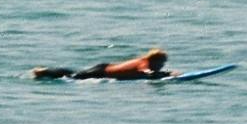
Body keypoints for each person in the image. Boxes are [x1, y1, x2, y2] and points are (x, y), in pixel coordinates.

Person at [35, 48, 175, 80]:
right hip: (102, 73)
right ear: (155, 60)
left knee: (75, 74)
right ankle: (44, 72)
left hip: (104, 68)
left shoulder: (142, 61)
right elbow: (146, 72)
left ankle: (45, 72)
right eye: (162, 62)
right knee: (73, 76)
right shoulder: (144, 63)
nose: (162, 65)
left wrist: (167, 73)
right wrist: (161, 75)